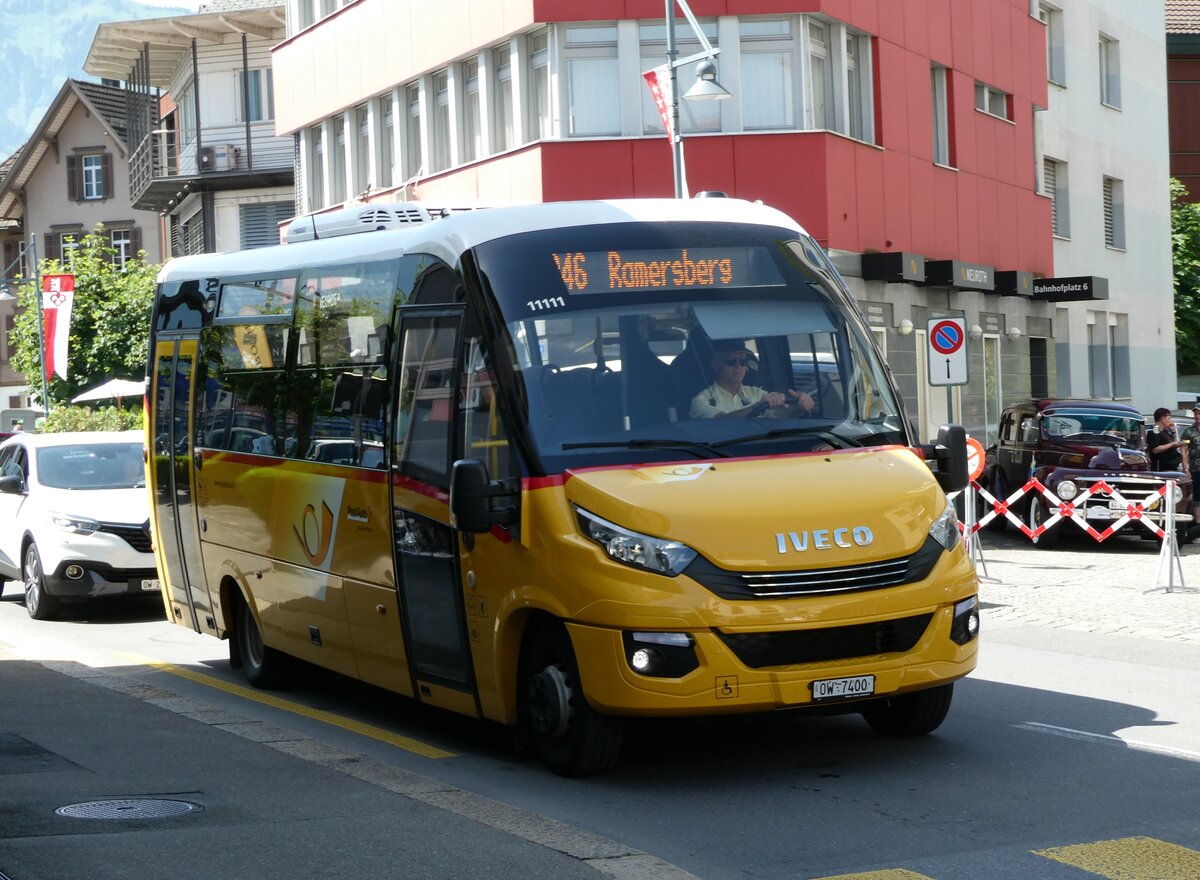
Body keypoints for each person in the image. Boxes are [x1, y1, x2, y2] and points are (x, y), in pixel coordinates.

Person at [689, 339, 815, 420]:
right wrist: (757, 406)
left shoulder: (757, 393)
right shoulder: (701, 401)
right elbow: (723, 422)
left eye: (743, 360)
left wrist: (800, 407)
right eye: (731, 361)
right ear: (715, 364)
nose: (738, 366)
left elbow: (778, 416)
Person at [1147, 407, 1186, 471]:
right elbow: (1155, 449)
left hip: (1171, 466)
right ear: (1163, 419)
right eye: (1169, 418)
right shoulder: (1154, 431)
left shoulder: (1166, 431)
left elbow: (1172, 443)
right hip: (1161, 467)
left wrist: (1173, 432)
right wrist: (1172, 444)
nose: (1170, 421)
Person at [1180, 404, 1200, 525]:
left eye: (1199, 413)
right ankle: (1198, 525)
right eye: (1196, 414)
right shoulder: (1189, 431)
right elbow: (1184, 448)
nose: (1197, 416)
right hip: (1196, 468)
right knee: (1197, 496)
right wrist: (1185, 467)